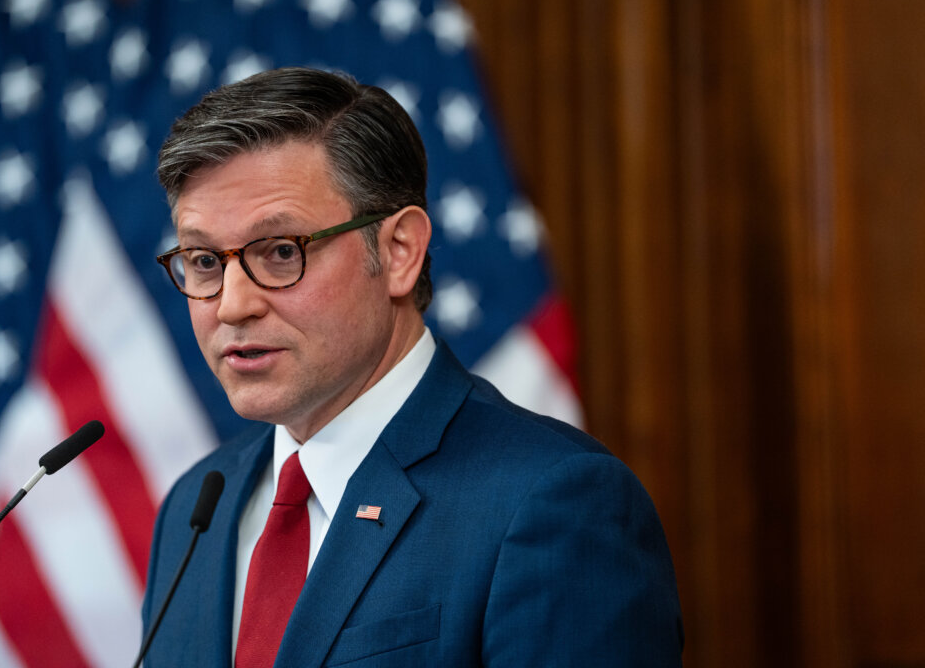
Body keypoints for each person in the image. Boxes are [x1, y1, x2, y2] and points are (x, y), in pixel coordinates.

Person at [140, 66, 683, 667]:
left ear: (399, 252)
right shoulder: (196, 508)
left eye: (281, 251)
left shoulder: (554, 502)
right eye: (204, 261)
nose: (233, 304)